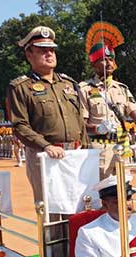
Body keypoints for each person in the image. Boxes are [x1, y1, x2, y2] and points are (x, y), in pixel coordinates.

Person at [7, 25, 90, 203]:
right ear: (29, 55)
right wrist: (46, 146)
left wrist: (86, 149)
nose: (49, 54)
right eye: (43, 50)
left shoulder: (68, 84)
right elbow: (20, 125)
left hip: (75, 155)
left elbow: (79, 120)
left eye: (52, 50)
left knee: (79, 207)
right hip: (45, 157)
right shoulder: (21, 87)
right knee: (50, 212)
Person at [79, 21, 136, 178]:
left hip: (122, 146)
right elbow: (82, 123)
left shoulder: (122, 88)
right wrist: (98, 129)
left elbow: (135, 115)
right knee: (104, 193)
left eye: (110, 59)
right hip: (100, 148)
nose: (108, 63)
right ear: (94, 65)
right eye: (103, 59)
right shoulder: (84, 89)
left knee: (125, 189)